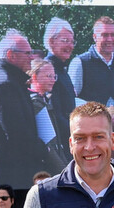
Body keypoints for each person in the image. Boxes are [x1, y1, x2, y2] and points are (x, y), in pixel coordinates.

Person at [0, 29, 47, 189]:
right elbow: (18, 136)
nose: (32, 57)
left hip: (12, 177)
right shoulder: (6, 85)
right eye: (28, 53)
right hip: (9, 181)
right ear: (11, 55)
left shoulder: (9, 81)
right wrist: (45, 150)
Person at [68, 16, 114, 162]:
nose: (110, 39)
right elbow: (70, 99)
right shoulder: (80, 62)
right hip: (91, 139)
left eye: (113, 35)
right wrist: (101, 112)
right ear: (94, 37)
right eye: (105, 35)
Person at [28, 58, 72, 175]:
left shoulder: (44, 100)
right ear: (34, 77)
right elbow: (49, 144)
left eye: (54, 76)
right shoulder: (35, 103)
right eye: (48, 76)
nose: (53, 80)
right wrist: (64, 172)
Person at [43, 18, 76, 149]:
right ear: (51, 41)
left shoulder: (61, 69)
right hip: (60, 142)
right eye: (65, 41)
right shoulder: (48, 69)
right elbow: (55, 114)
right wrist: (76, 133)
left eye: (72, 42)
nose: (71, 46)